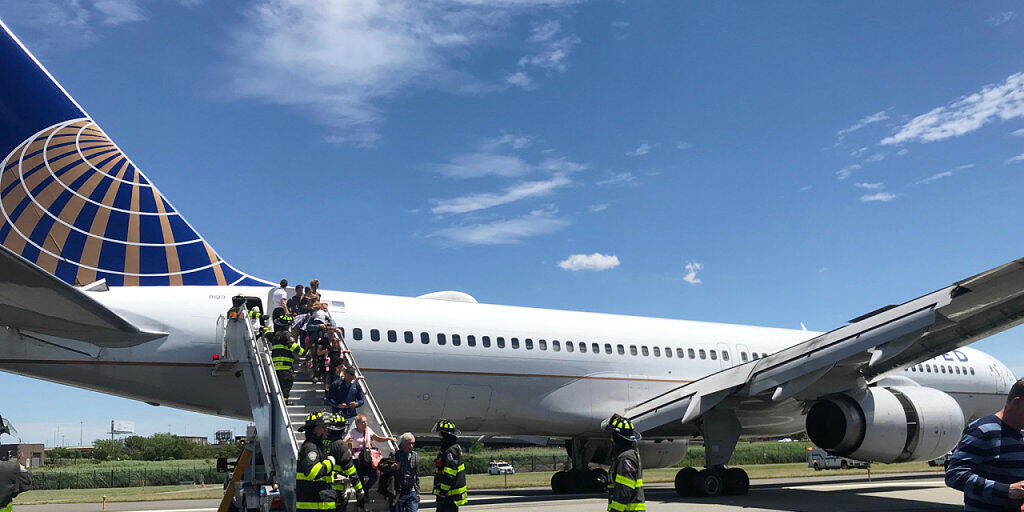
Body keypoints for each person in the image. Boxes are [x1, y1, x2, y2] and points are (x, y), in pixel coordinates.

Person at [946, 377, 1024, 511]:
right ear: (1017, 403)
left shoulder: (1021, 433)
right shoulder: (982, 431)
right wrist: (1006, 490)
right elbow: (954, 475)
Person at [603, 414, 644, 512]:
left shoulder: (625, 457)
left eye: (612, 435)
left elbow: (625, 490)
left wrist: (616, 510)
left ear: (617, 437)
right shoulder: (626, 455)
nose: (611, 439)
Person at [296, 412, 336, 512]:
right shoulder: (310, 447)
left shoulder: (317, 447)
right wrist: (330, 463)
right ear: (313, 429)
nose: (326, 430)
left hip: (320, 505)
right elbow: (312, 472)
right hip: (314, 507)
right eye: (322, 427)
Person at [346, 415, 396, 494]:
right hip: (357, 459)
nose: (365, 423)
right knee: (360, 478)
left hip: (368, 458)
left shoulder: (368, 430)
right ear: (357, 423)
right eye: (363, 422)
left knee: (375, 476)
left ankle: (365, 490)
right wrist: (347, 441)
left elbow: (378, 438)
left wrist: (389, 438)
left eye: (366, 421)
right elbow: (344, 442)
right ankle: (362, 497)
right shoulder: (352, 432)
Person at [325, 414, 363, 512]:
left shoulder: (322, 443)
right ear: (342, 429)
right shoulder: (341, 445)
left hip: (323, 489)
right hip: (337, 490)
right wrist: (359, 489)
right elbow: (350, 469)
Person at [431, 420, 467, 512]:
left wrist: (442, 493)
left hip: (448, 496)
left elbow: (449, 474)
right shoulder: (452, 447)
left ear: (445, 434)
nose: (440, 436)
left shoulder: (450, 450)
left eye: (440, 434)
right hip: (449, 496)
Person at [269, 315, 303, 402]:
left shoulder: (274, 335)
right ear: (287, 326)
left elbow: (267, 334)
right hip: (285, 366)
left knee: (278, 385)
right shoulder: (287, 335)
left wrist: (264, 329)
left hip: (275, 366)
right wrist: (305, 353)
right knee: (286, 384)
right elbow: (294, 347)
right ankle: (285, 401)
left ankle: (280, 401)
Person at [390, 433, 420, 512]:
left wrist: (417, 492)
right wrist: (392, 467)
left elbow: (416, 475)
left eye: (413, 444)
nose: (411, 446)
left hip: (411, 491)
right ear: (402, 444)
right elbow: (383, 467)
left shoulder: (415, 455)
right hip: (398, 492)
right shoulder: (395, 454)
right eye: (409, 444)